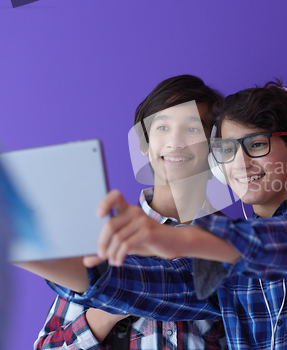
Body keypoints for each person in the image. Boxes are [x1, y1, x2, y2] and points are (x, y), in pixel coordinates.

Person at [20, 82, 287, 349]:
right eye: (227, 149)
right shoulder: (219, 254)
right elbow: (136, 284)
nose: (241, 163)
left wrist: (176, 237)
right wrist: (25, 246)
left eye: (257, 144)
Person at [34, 75, 227, 349]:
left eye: (193, 129)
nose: (175, 142)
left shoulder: (235, 247)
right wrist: (107, 310)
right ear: (145, 145)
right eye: (162, 127)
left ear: (215, 146)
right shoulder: (102, 240)